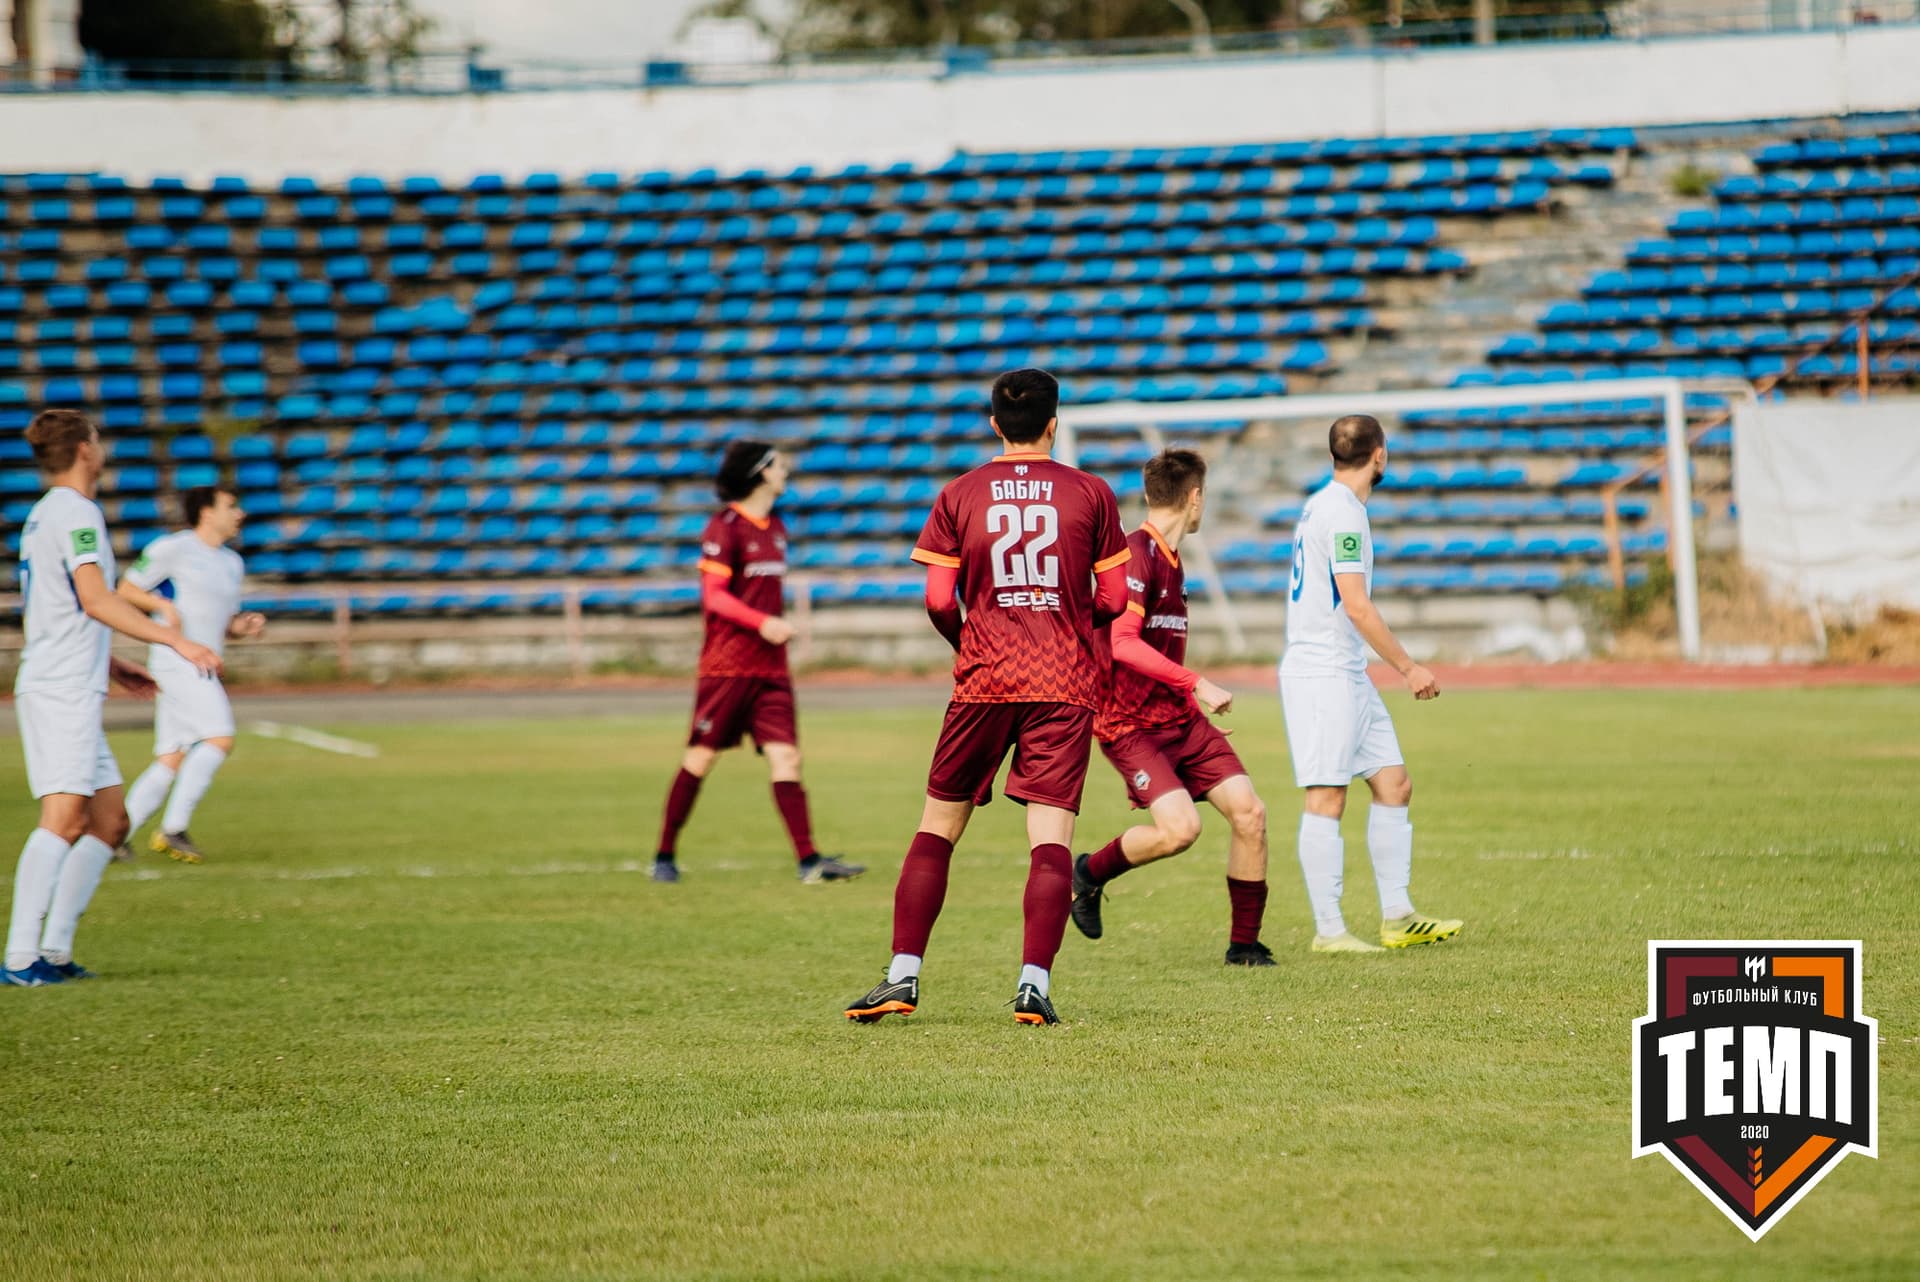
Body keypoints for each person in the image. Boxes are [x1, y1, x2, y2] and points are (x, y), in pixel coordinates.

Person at [844, 368, 1131, 1026]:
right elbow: (1115, 599)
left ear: (995, 423)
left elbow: (940, 600)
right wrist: (1072, 632)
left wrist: (969, 640)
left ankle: (901, 977)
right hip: (1062, 681)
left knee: (938, 827)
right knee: (1051, 838)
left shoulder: (959, 493)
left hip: (985, 676)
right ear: (1054, 423)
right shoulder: (1091, 492)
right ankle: (1033, 986)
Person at [5, 409, 222, 987]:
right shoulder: (76, 511)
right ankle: (20, 957)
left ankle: (52, 951)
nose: (102, 449)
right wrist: (175, 639)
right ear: (83, 449)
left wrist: (113, 661)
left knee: (110, 820)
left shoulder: (46, 513)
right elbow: (95, 597)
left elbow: (64, 610)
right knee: (63, 817)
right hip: (60, 689)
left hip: (74, 677)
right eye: (97, 441)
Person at [1069, 448, 1275, 965]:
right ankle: (1089, 873)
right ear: (1196, 497)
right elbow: (1122, 642)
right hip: (1130, 725)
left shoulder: (1172, 557)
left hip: (1180, 720)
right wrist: (1197, 681)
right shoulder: (1136, 553)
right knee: (1181, 831)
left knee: (1250, 814)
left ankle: (1244, 947)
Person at [1279, 414, 1462, 954]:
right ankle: (1329, 930)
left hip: (1346, 671)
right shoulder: (1343, 514)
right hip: (1323, 673)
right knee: (1327, 795)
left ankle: (1398, 915)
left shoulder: (1328, 503)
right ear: (1379, 456)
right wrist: (1408, 668)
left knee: (1393, 783)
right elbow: (1356, 605)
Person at [652, 440, 862, 885]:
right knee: (701, 757)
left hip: (771, 669)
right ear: (761, 472)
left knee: (788, 758)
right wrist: (762, 622)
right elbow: (713, 598)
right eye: (780, 466)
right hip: (727, 667)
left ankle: (809, 862)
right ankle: (664, 855)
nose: (786, 472)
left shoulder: (776, 527)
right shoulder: (723, 527)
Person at [116, 486, 266, 863]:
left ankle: (116, 837)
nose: (239, 513)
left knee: (172, 755)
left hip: (202, 661)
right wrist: (160, 605)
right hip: (176, 658)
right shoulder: (174, 548)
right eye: (231, 506)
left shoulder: (231, 562)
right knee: (219, 737)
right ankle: (173, 828)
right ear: (206, 512)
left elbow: (224, 623)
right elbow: (126, 588)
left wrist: (241, 626)